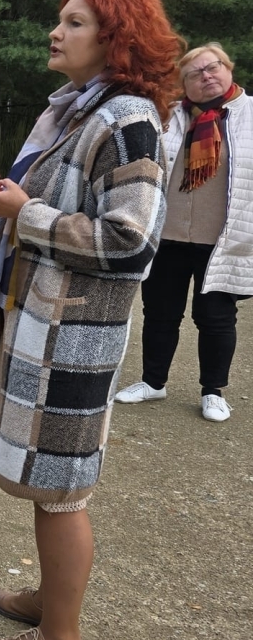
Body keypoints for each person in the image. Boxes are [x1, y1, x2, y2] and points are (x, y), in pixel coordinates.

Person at [0, 0, 181, 640]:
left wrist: (21, 214)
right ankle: (47, 599)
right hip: (43, 320)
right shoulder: (73, 113)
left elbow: (130, 242)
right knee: (41, 479)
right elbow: (41, 206)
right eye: (60, 20)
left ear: (115, 39)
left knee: (61, 489)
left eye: (75, 22)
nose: (57, 33)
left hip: (75, 333)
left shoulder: (128, 122)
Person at [115, 43, 252, 422]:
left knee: (215, 318)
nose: (206, 76)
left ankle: (213, 391)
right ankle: (153, 382)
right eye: (195, 73)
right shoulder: (168, 116)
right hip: (167, 234)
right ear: (184, 83)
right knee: (160, 313)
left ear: (228, 68)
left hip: (223, 240)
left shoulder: (251, 114)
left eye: (213, 67)